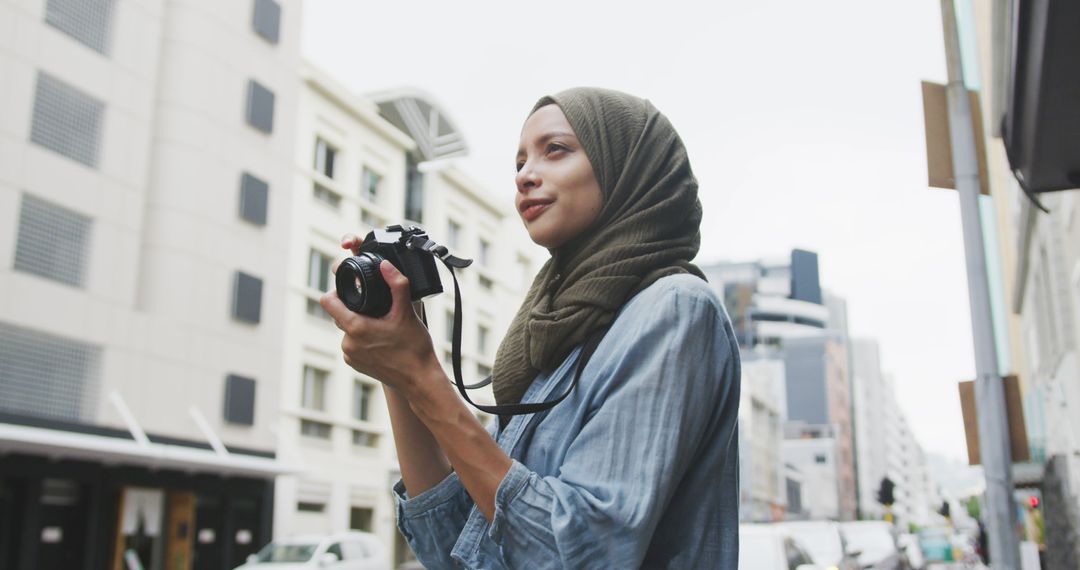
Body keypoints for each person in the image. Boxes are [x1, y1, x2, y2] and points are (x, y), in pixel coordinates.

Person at [320, 87, 741, 569]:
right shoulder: (552, 334)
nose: (525, 177)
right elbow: (454, 550)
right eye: (518, 163)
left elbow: (580, 555)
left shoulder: (674, 310)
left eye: (555, 150)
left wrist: (422, 376)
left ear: (627, 166)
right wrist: (400, 371)